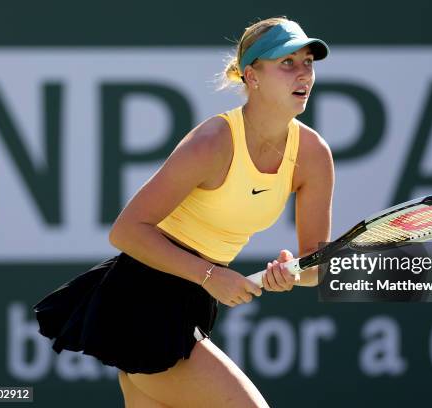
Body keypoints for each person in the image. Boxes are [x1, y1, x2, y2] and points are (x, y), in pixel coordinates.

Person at [34, 16, 333, 408]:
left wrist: (289, 274)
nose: (303, 74)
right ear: (252, 77)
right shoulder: (212, 143)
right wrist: (211, 275)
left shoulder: (313, 156)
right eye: (287, 63)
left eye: (308, 62)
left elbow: (316, 267)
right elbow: (126, 231)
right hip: (141, 300)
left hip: (191, 303)